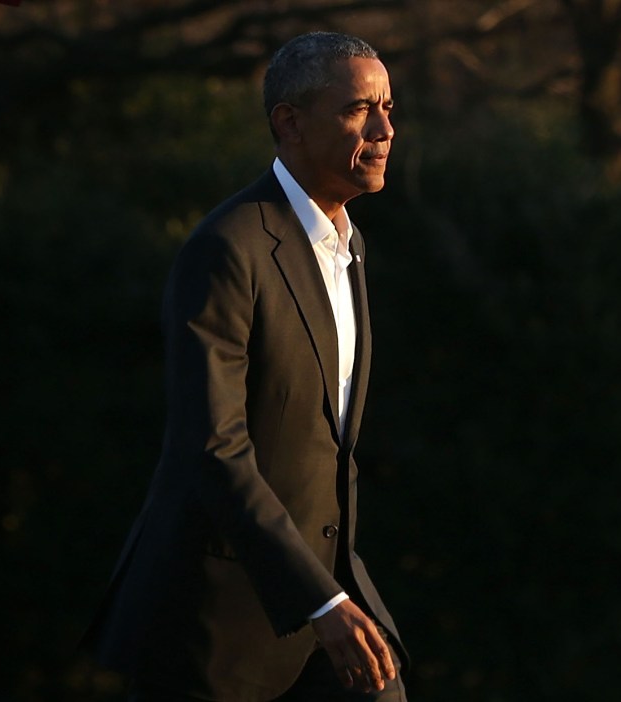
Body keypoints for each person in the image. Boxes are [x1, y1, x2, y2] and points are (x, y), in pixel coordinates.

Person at [82, 32, 406, 702]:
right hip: (215, 629)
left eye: (389, 108)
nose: (384, 129)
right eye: (358, 110)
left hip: (329, 601)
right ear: (289, 121)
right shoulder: (226, 249)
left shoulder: (350, 245)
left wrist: (334, 592)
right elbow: (214, 447)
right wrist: (319, 603)